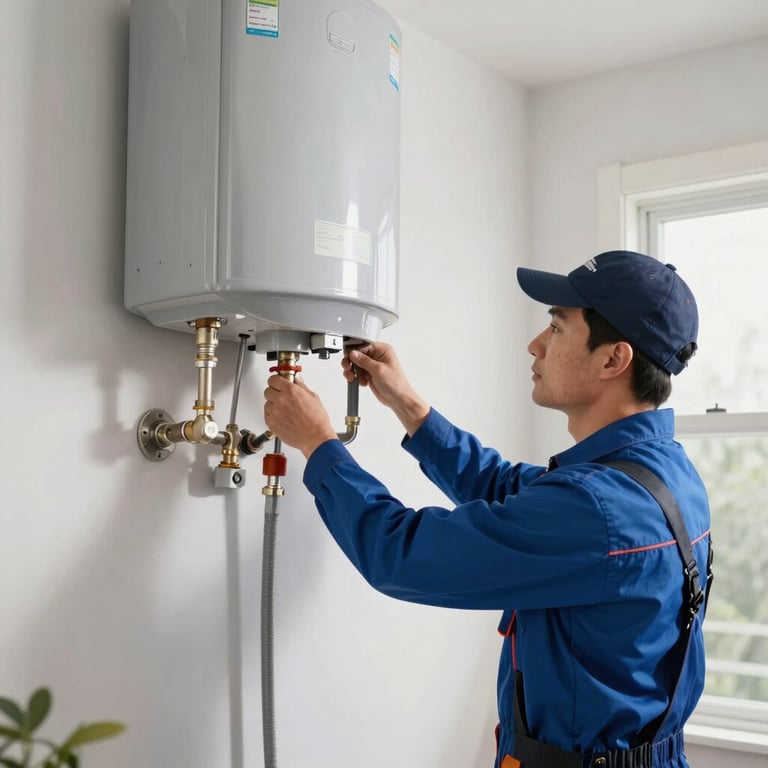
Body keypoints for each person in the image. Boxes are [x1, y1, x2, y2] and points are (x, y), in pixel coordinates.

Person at [263, 250, 712, 768]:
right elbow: (505, 488)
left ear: (613, 359)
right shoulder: (658, 473)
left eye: (557, 328)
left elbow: (400, 555)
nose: (535, 345)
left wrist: (319, 445)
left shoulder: (597, 509)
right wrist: (408, 406)